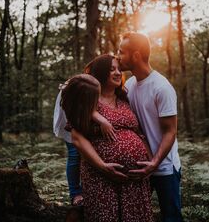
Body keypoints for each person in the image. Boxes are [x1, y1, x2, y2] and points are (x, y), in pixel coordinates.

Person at [62, 56, 154, 222]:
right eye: (112, 69)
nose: (118, 73)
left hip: (135, 181)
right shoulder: (88, 99)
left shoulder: (125, 100)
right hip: (101, 178)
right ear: (101, 72)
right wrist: (103, 166)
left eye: (119, 69)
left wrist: (150, 162)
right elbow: (76, 138)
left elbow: (138, 133)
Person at [119, 31, 183, 222]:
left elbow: (170, 131)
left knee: (171, 217)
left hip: (164, 168)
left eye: (121, 51)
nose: (117, 56)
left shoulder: (161, 87)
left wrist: (154, 163)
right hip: (139, 168)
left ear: (136, 55)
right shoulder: (129, 85)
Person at [53, 78, 116, 206]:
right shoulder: (81, 85)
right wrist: (102, 120)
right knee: (75, 153)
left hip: (83, 116)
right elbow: (80, 106)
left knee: (87, 155)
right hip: (71, 115)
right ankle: (76, 193)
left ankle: (87, 190)